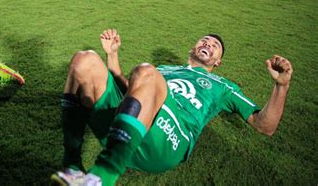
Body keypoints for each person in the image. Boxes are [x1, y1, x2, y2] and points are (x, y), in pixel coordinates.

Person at [51, 29, 293, 186]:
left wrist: (281, 86)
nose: (208, 43)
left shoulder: (223, 86)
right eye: (204, 40)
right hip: (133, 125)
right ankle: (72, 165)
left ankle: (103, 176)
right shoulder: (165, 69)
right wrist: (112, 56)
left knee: (146, 71)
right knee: (84, 60)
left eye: (214, 45)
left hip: (169, 140)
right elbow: (131, 92)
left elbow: (265, 125)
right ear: (193, 48)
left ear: (218, 61)